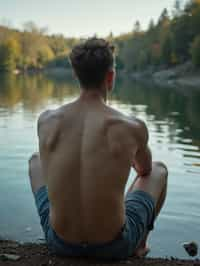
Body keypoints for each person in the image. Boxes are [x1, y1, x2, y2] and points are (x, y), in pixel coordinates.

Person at [28, 38, 168, 260]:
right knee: (159, 170)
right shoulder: (132, 127)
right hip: (114, 247)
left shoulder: (46, 120)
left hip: (60, 243)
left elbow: (52, 163)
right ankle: (140, 244)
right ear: (110, 77)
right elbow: (145, 171)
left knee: (35, 161)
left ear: (75, 74)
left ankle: (64, 226)